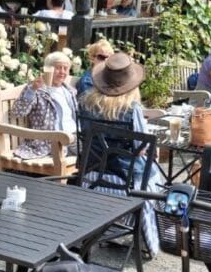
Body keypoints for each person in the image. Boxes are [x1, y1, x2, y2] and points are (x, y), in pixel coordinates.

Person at [78, 52, 161, 257]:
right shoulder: (131, 110)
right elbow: (141, 145)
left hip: (91, 177)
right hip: (127, 184)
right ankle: (146, 239)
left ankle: (111, 228)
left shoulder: (85, 104)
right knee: (156, 177)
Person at [11, 51, 77, 159]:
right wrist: (32, 90)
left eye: (65, 68)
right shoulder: (37, 88)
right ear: (48, 69)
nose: (62, 72)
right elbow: (18, 112)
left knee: (98, 149)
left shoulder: (69, 91)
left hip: (73, 136)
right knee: (92, 154)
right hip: (50, 140)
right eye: (58, 68)